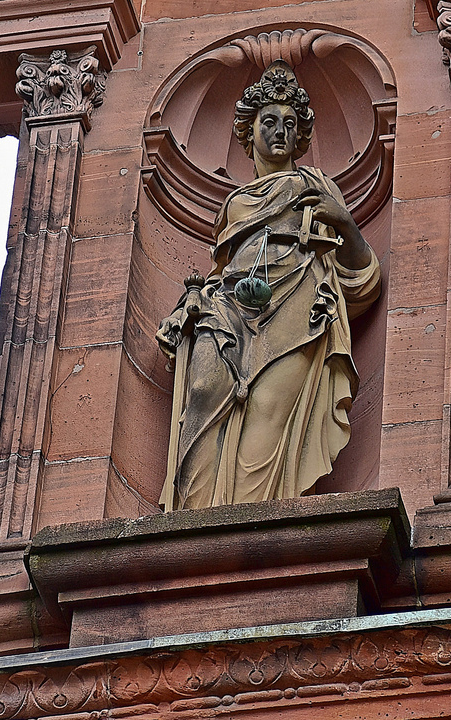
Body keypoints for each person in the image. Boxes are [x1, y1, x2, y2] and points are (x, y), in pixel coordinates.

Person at [156, 60, 380, 510]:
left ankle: (253, 520)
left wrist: (347, 227)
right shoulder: (236, 201)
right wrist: (190, 306)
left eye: (290, 124)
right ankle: (194, 517)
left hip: (298, 305)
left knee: (268, 415)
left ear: (301, 136)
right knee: (201, 395)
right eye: (269, 121)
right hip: (232, 306)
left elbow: (363, 282)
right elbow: (224, 271)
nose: (280, 131)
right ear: (249, 130)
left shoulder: (316, 186)